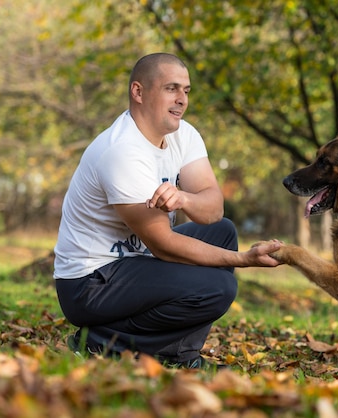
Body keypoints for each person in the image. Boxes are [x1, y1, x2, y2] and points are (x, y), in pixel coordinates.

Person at [53, 52, 282, 367]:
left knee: (222, 232)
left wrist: (185, 198)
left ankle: (177, 352)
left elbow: (213, 208)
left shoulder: (182, 135)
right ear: (138, 91)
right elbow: (164, 246)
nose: (182, 100)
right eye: (171, 88)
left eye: (186, 91)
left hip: (134, 263)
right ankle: (100, 341)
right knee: (218, 288)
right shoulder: (122, 152)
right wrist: (243, 260)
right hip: (90, 282)